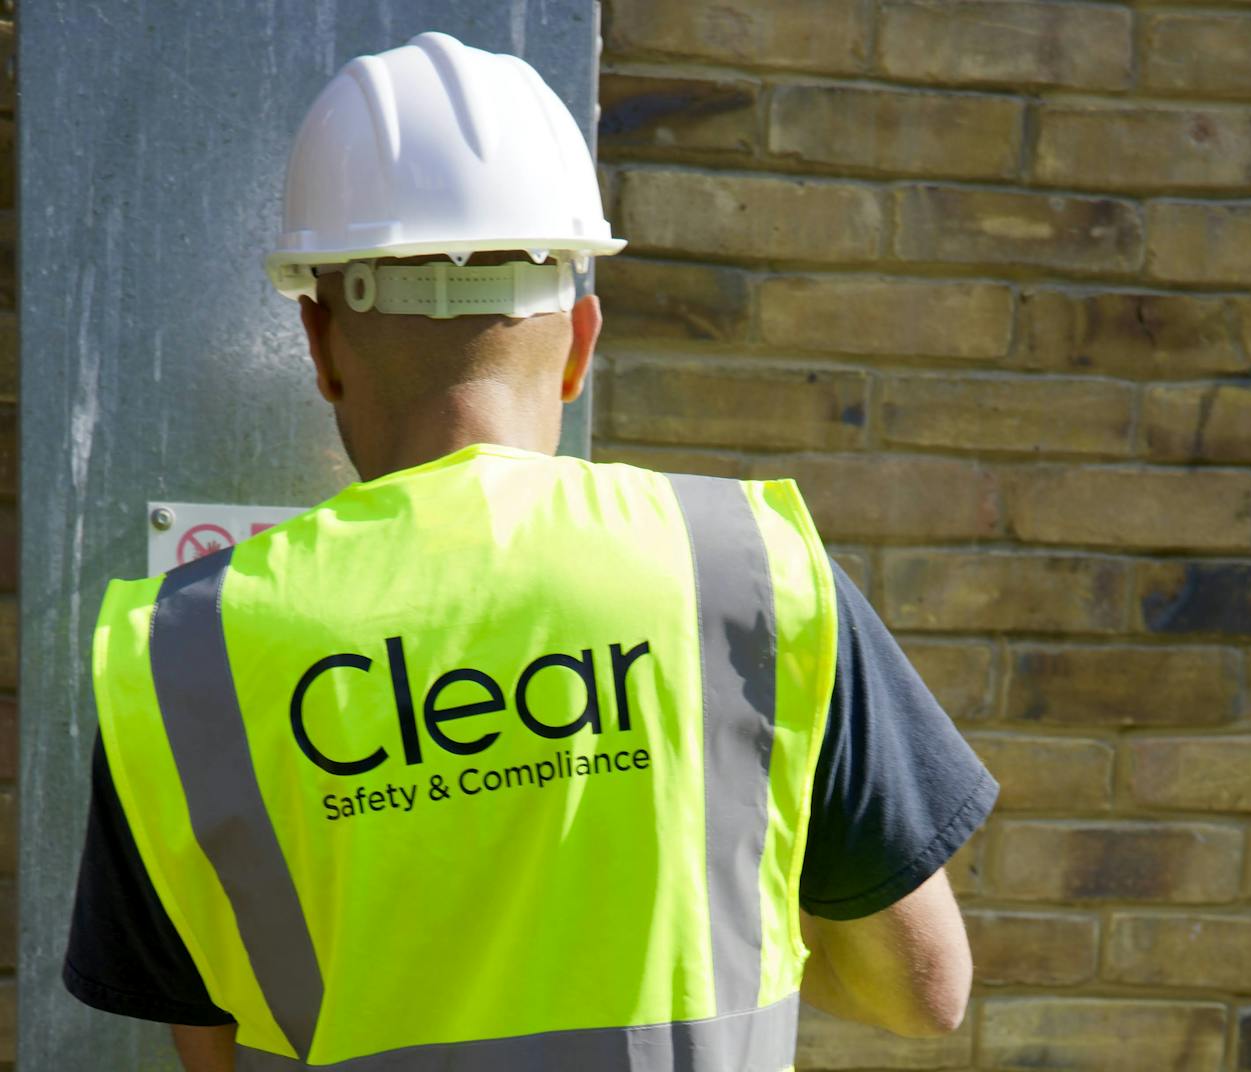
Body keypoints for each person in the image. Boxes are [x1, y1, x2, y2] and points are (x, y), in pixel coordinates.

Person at [64, 32, 998, 1072]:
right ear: (581, 341)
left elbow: (215, 1054)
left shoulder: (186, 654)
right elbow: (924, 988)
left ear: (321, 343)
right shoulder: (750, 571)